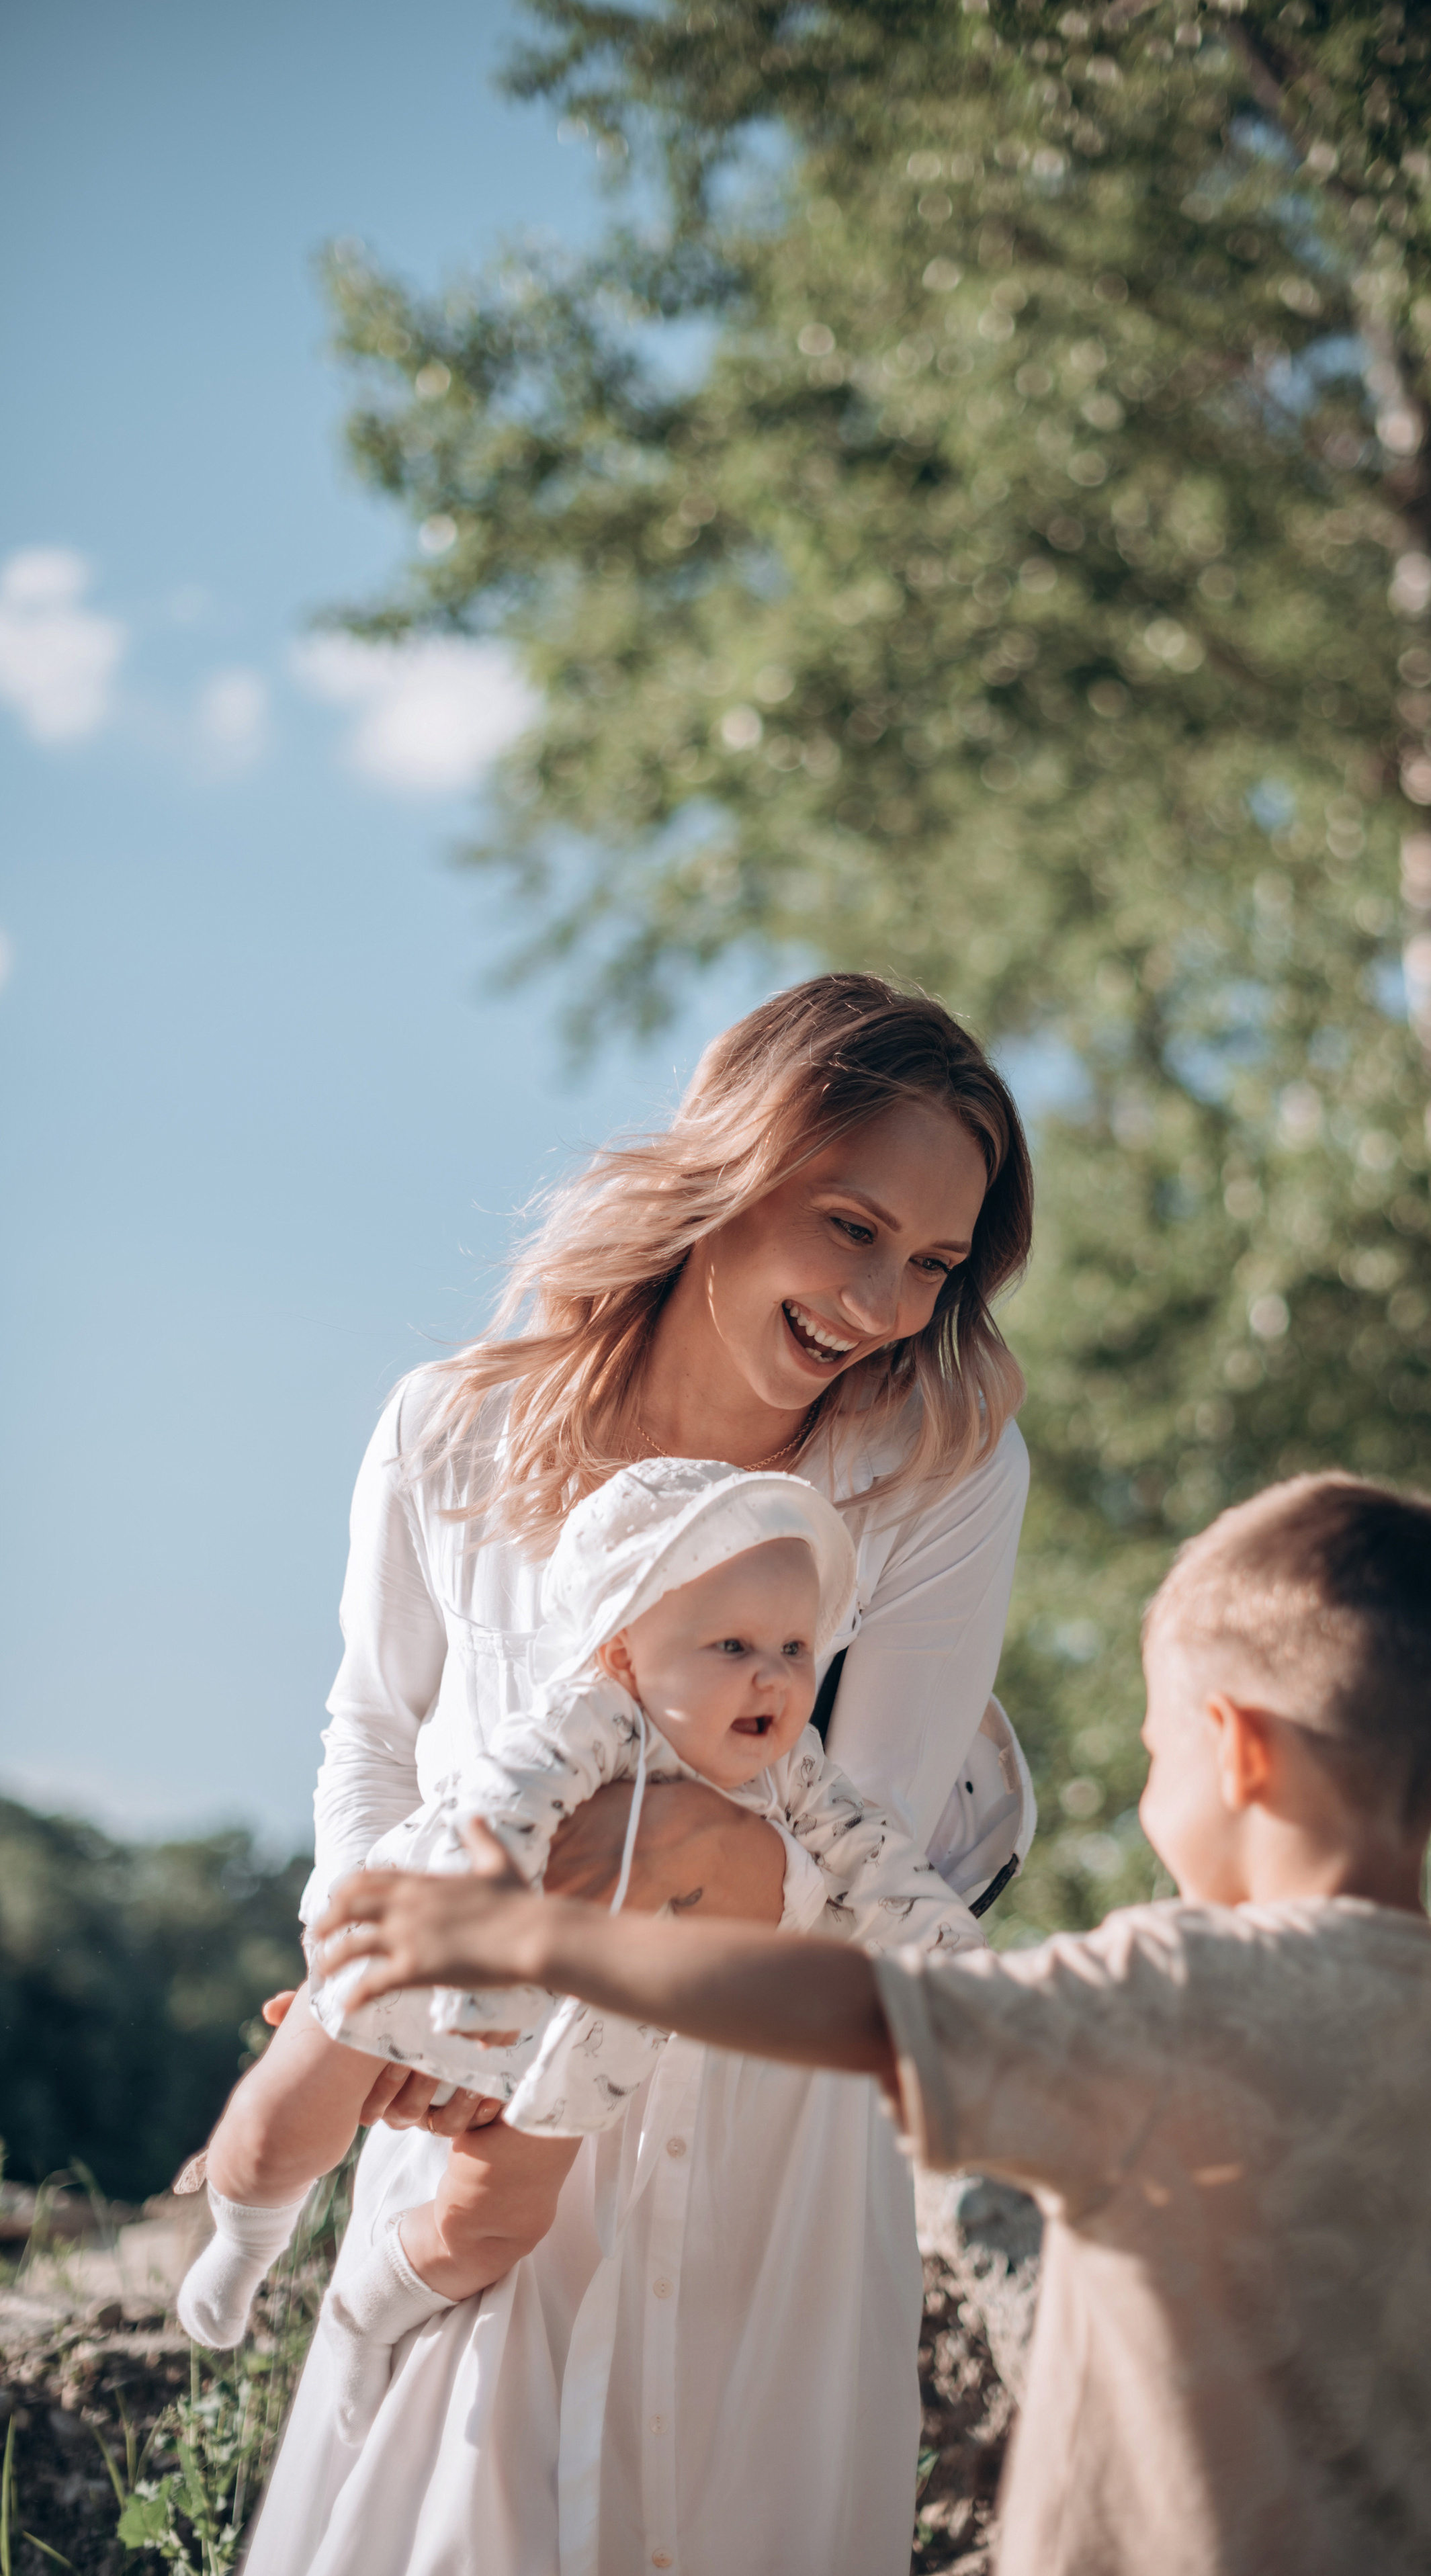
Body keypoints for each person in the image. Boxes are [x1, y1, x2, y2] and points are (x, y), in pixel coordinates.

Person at [319, 1472, 1431, 2576]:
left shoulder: (1166, 1996)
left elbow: (870, 2009)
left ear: (1235, 1753)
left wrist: (548, 1940)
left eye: (1153, 1742)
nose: (1144, 1762)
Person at [243, 974, 1036, 2576]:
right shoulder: (449, 1434)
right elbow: (374, 1734)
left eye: (934, 1263)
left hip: (760, 2126)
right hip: (457, 2084)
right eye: (851, 1227)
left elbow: (845, 1854)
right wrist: (368, 1959)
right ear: (731, 1176)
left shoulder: (933, 1469)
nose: (887, 1303)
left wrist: (534, 1912)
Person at [178, 1461, 980, 2439]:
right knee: (277, 2127)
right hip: (433, 1951)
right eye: (731, 1644)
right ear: (626, 1650)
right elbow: (501, 1824)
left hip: (589, 2031)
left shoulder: (795, 1768)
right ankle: (243, 2236)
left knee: (498, 2221)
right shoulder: (584, 1721)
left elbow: (872, 1861)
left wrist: (952, 1960)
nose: (771, 1674)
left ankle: (364, 2309)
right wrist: (481, 1979)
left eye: (794, 1646)